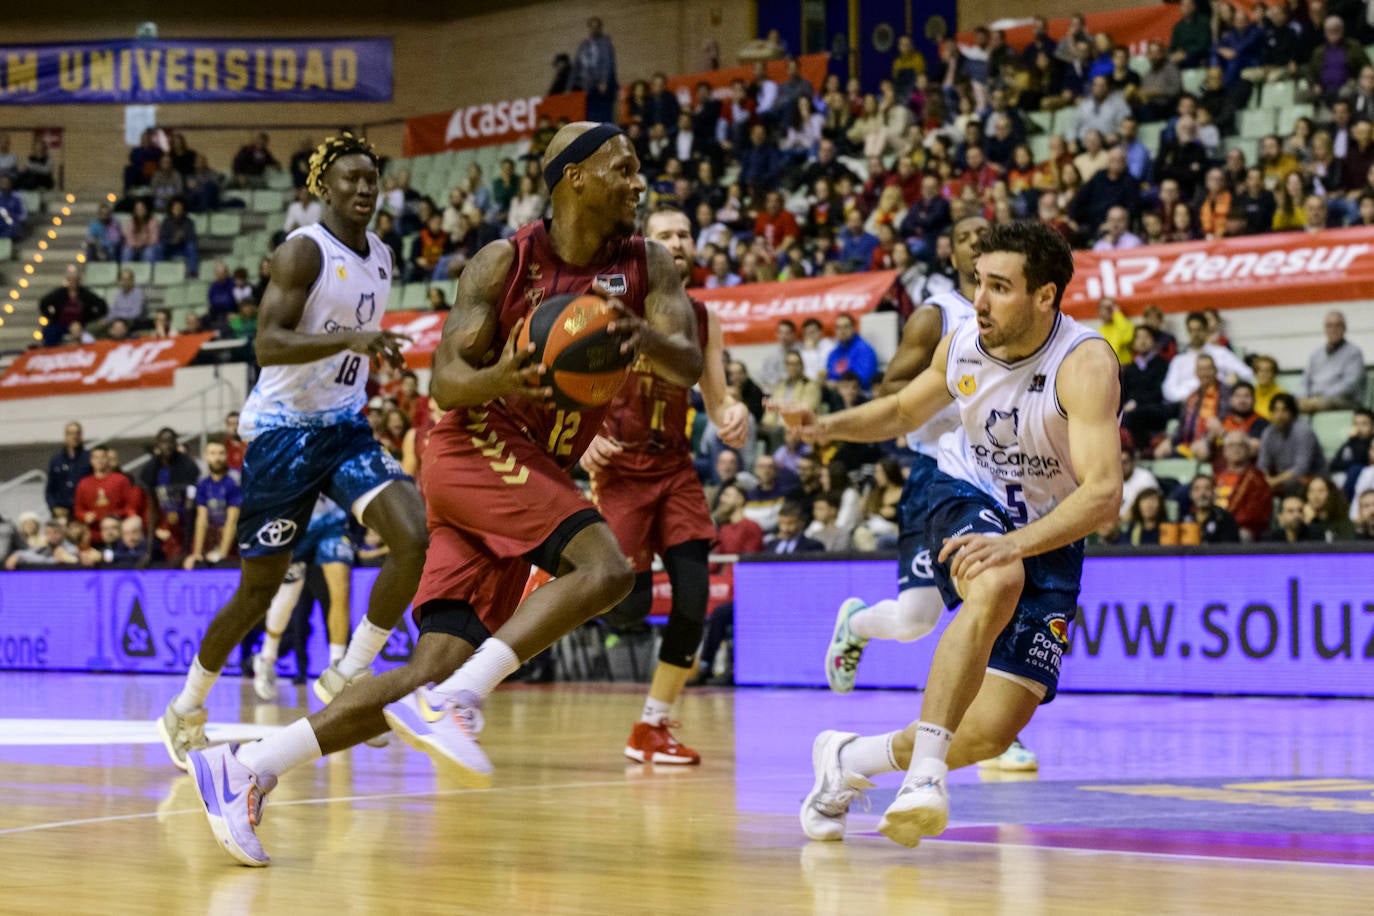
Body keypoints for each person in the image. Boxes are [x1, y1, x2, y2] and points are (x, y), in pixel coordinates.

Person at [184, 123, 702, 866]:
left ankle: (248, 766)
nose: (637, 180)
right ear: (574, 178)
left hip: (534, 469)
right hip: (473, 442)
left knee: (428, 668)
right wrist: (508, 377)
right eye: (623, 168)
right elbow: (447, 382)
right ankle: (461, 699)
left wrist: (640, 338)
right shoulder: (505, 261)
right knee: (606, 569)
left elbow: (685, 364)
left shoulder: (648, 264)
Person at [793, 221, 1121, 847]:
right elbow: (900, 412)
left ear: (1046, 296)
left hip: (1044, 529)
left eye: (1000, 287)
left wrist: (1019, 541)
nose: (981, 300)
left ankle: (847, 760)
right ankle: (923, 778)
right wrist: (825, 428)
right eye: (979, 283)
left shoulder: (1083, 364)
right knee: (997, 576)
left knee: (994, 729)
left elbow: (1103, 494)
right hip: (961, 488)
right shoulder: (964, 342)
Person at [162, 135, 429, 788]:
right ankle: (187, 705)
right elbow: (268, 343)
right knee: (258, 590)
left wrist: (364, 354)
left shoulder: (385, 257)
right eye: (351, 179)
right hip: (282, 434)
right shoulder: (304, 250)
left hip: (342, 427)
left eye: (372, 179)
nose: (364, 189)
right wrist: (352, 339)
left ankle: (348, 673)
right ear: (324, 186)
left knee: (413, 535)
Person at [580, 204, 748, 765]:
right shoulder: (606, 307)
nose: (678, 242)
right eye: (665, 235)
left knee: (694, 596)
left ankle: (653, 724)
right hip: (620, 470)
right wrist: (581, 441)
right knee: (624, 608)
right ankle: (553, 578)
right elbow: (560, 380)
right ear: (644, 247)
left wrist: (732, 415)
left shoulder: (703, 319)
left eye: (685, 234)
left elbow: (718, 396)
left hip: (674, 468)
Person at [1162, 311, 1254, 406]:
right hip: (1187, 403)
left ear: (1206, 330)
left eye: (1198, 330)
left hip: (1218, 402)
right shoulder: (1179, 360)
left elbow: (1248, 373)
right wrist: (1190, 396)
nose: (1195, 334)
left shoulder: (1220, 353)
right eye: (1191, 330)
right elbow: (1168, 390)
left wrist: (1235, 377)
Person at [184, 442, 242, 570]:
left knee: (222, 565)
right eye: (213, 453)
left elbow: (232, 521)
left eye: (221, 453)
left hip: (236, 540)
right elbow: (201, 519)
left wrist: (222, 555)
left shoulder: (234, 480)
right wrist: (197, 554)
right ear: (206, 457)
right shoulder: (203, 483)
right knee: (193, 563)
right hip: (213, 538)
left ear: (227, 456)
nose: (217, 458)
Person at [1258, 393, 1327, 497]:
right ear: (1271, 413)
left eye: (1284, 410)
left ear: (1293, 413)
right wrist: (1265, 480)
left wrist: (1273, 481)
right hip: (1283, 479)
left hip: (1313, 478)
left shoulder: (1303, 431)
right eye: (1275, 410)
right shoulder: (1268, 433)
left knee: (1291, 484)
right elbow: (1262, 464)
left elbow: (1301, 468)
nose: (1279, 415)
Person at [1298, 311, 1365, 413]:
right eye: (1329, 326)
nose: (1333, 329)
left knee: (1322, 403)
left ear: (1344, 328)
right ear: (1324, 329)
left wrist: (1320, 398)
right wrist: (1303, 397)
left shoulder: (1354, 353)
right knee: (1287, 405)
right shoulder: (1316, 354)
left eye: (1337, 325)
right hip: (1313, 400)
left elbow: (1350, 385)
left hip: (1343, 400)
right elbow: (1305, 380)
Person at [38, 265, 107, 348]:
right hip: (61, 324)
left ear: (78, 280)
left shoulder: (85, 294)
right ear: (67, 280)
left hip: (80, 324)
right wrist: (51, 316)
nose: (72, 282)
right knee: (49, 331)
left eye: (75, 279)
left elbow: (102, 304)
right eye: (70, 279)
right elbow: (44, 302)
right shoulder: (60, 293)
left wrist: (92, 317)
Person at [45, 421, 91, 519]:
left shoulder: (89, 458)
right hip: (62, 511)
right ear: (65, 436)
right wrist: (54, 508)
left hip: (84, 510)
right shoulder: (56, 460)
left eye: (77, 433)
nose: (74, 436)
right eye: (71, 433)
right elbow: (50, 490)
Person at [825, 313, 879, 389]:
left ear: (854, 328)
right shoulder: (833, 354)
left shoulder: (864, 350)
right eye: (838, 328)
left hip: (860, 395)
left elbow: (865, 379)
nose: (842, 331)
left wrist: (839, 385)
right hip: (837, 395)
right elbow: (830, 376)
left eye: (846, 327)